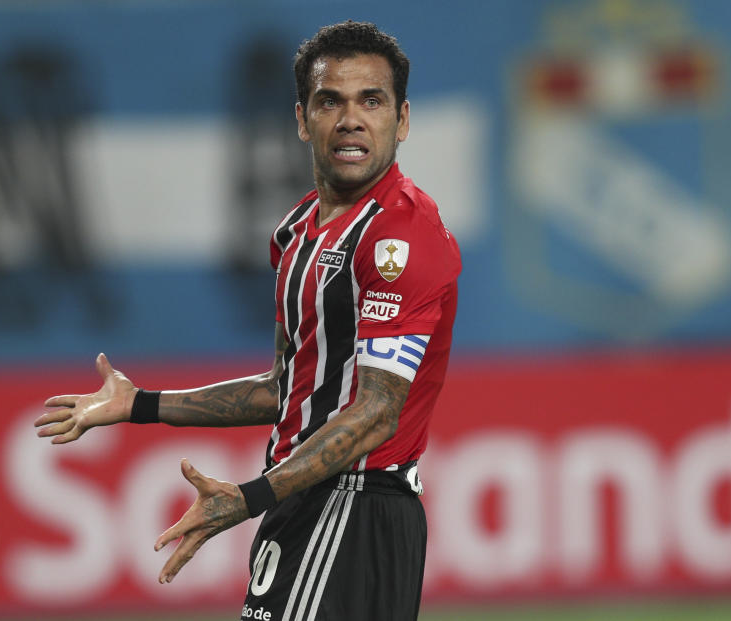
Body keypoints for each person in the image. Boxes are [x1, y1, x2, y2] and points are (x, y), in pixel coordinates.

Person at [35, 20, 460, 621]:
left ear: (403, 119)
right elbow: (285, 390)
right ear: (301, 119)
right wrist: (142, 404)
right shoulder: (297, 232)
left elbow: (376, 412)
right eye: (329, 101)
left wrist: (249, 497)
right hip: (304, 501)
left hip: (352, 508)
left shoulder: (400, 235)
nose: (351, 119)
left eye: (372, 100)